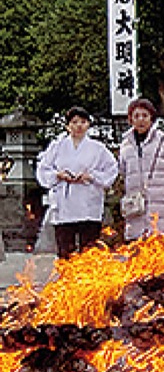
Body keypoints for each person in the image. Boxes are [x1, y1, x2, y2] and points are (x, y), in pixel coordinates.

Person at [36, 107, 118, 259]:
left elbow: (111, 170)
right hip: (64, 205)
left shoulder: (98, 148)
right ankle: (67, 280)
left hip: (88, 204)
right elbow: (43, 170)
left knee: (89, 251)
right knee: (66, 251)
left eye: (83, 122)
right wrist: (58, 175)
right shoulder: (57, 147)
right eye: (74, 122)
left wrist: (92, 176)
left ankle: (89, 281)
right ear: (68, 126)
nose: (79, 126)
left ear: (88, 125)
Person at [117, 97, 164, 241]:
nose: (141, 120)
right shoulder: (126, 145)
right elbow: (123, 170)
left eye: (145, 115)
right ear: (130, 119)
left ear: (152, 118)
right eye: (136, 116)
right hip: (137, 211)